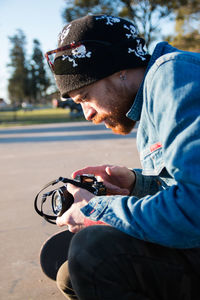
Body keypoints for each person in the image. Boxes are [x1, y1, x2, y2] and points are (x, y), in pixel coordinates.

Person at [45, 14, 200, 299]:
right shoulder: (149, 100)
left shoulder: (174, 77)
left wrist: (97, 211)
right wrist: (135, 184)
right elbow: (184, 185)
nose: (87, 113)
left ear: (119, 70)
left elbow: (194, 209)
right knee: (71, 274)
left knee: (93, 253)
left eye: (85, 96)